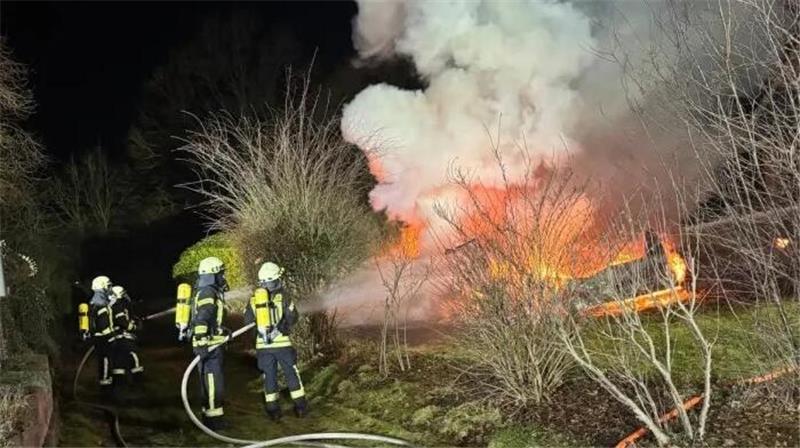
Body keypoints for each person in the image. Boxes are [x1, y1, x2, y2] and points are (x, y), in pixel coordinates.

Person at [244, 262, 307, 421]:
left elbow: (248, 322)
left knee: (269, 376)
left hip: (263, 346)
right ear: (276, 279)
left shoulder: (253, 299)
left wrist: (260, 336)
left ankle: (273, 410)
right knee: (291, 373)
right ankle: (300, 407)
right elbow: (293, 317)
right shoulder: (284, 295)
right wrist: (281, 328)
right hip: (282, 344)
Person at [191, 256, 229, 430]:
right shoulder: (208, 292)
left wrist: (222, 330)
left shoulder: (207, 291)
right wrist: (202, 340)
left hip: (209, 343)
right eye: (221, 273)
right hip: (209, 346)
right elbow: (203, 317)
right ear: (213, 275)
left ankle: (209, 417)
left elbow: (210, 320)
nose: (223, 276)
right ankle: (215, 421)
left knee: (209, 381)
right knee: (213, 382)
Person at [88, 275, 117, 402]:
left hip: (101, 338)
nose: (110, 288)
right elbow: (103, 324)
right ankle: (106, 392)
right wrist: (111, 336)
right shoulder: (100, 304)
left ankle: (107, 388)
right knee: (105, 362)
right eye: (108, 286)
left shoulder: (98, 301)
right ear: (102, 287)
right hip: (104, 339)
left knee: (105, 362)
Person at [109, 285, 144, 385]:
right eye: (123, 294)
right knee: (134, 356)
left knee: (118, 360)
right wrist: (135, 327)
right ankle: (138, 382)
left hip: (116, 338)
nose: (126, 296)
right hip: (124, 337)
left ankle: (119, 384)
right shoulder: (119, 306)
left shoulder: (112, 306)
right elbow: (123, 322)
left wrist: (135, 320)